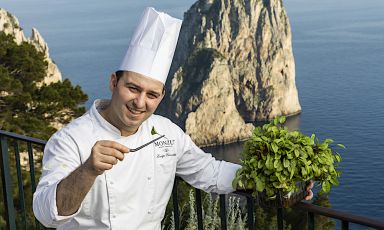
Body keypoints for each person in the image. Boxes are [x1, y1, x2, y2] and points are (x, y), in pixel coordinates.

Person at [33, 7, 313, 230]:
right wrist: (87, 171)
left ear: (162, 95)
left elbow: (209, 172)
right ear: (113, 82)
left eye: (151, 94)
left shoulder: (166, 131)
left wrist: (271, 179)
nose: (140, 102)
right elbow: (47, 215)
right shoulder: (71, 139)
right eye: (132, 88)